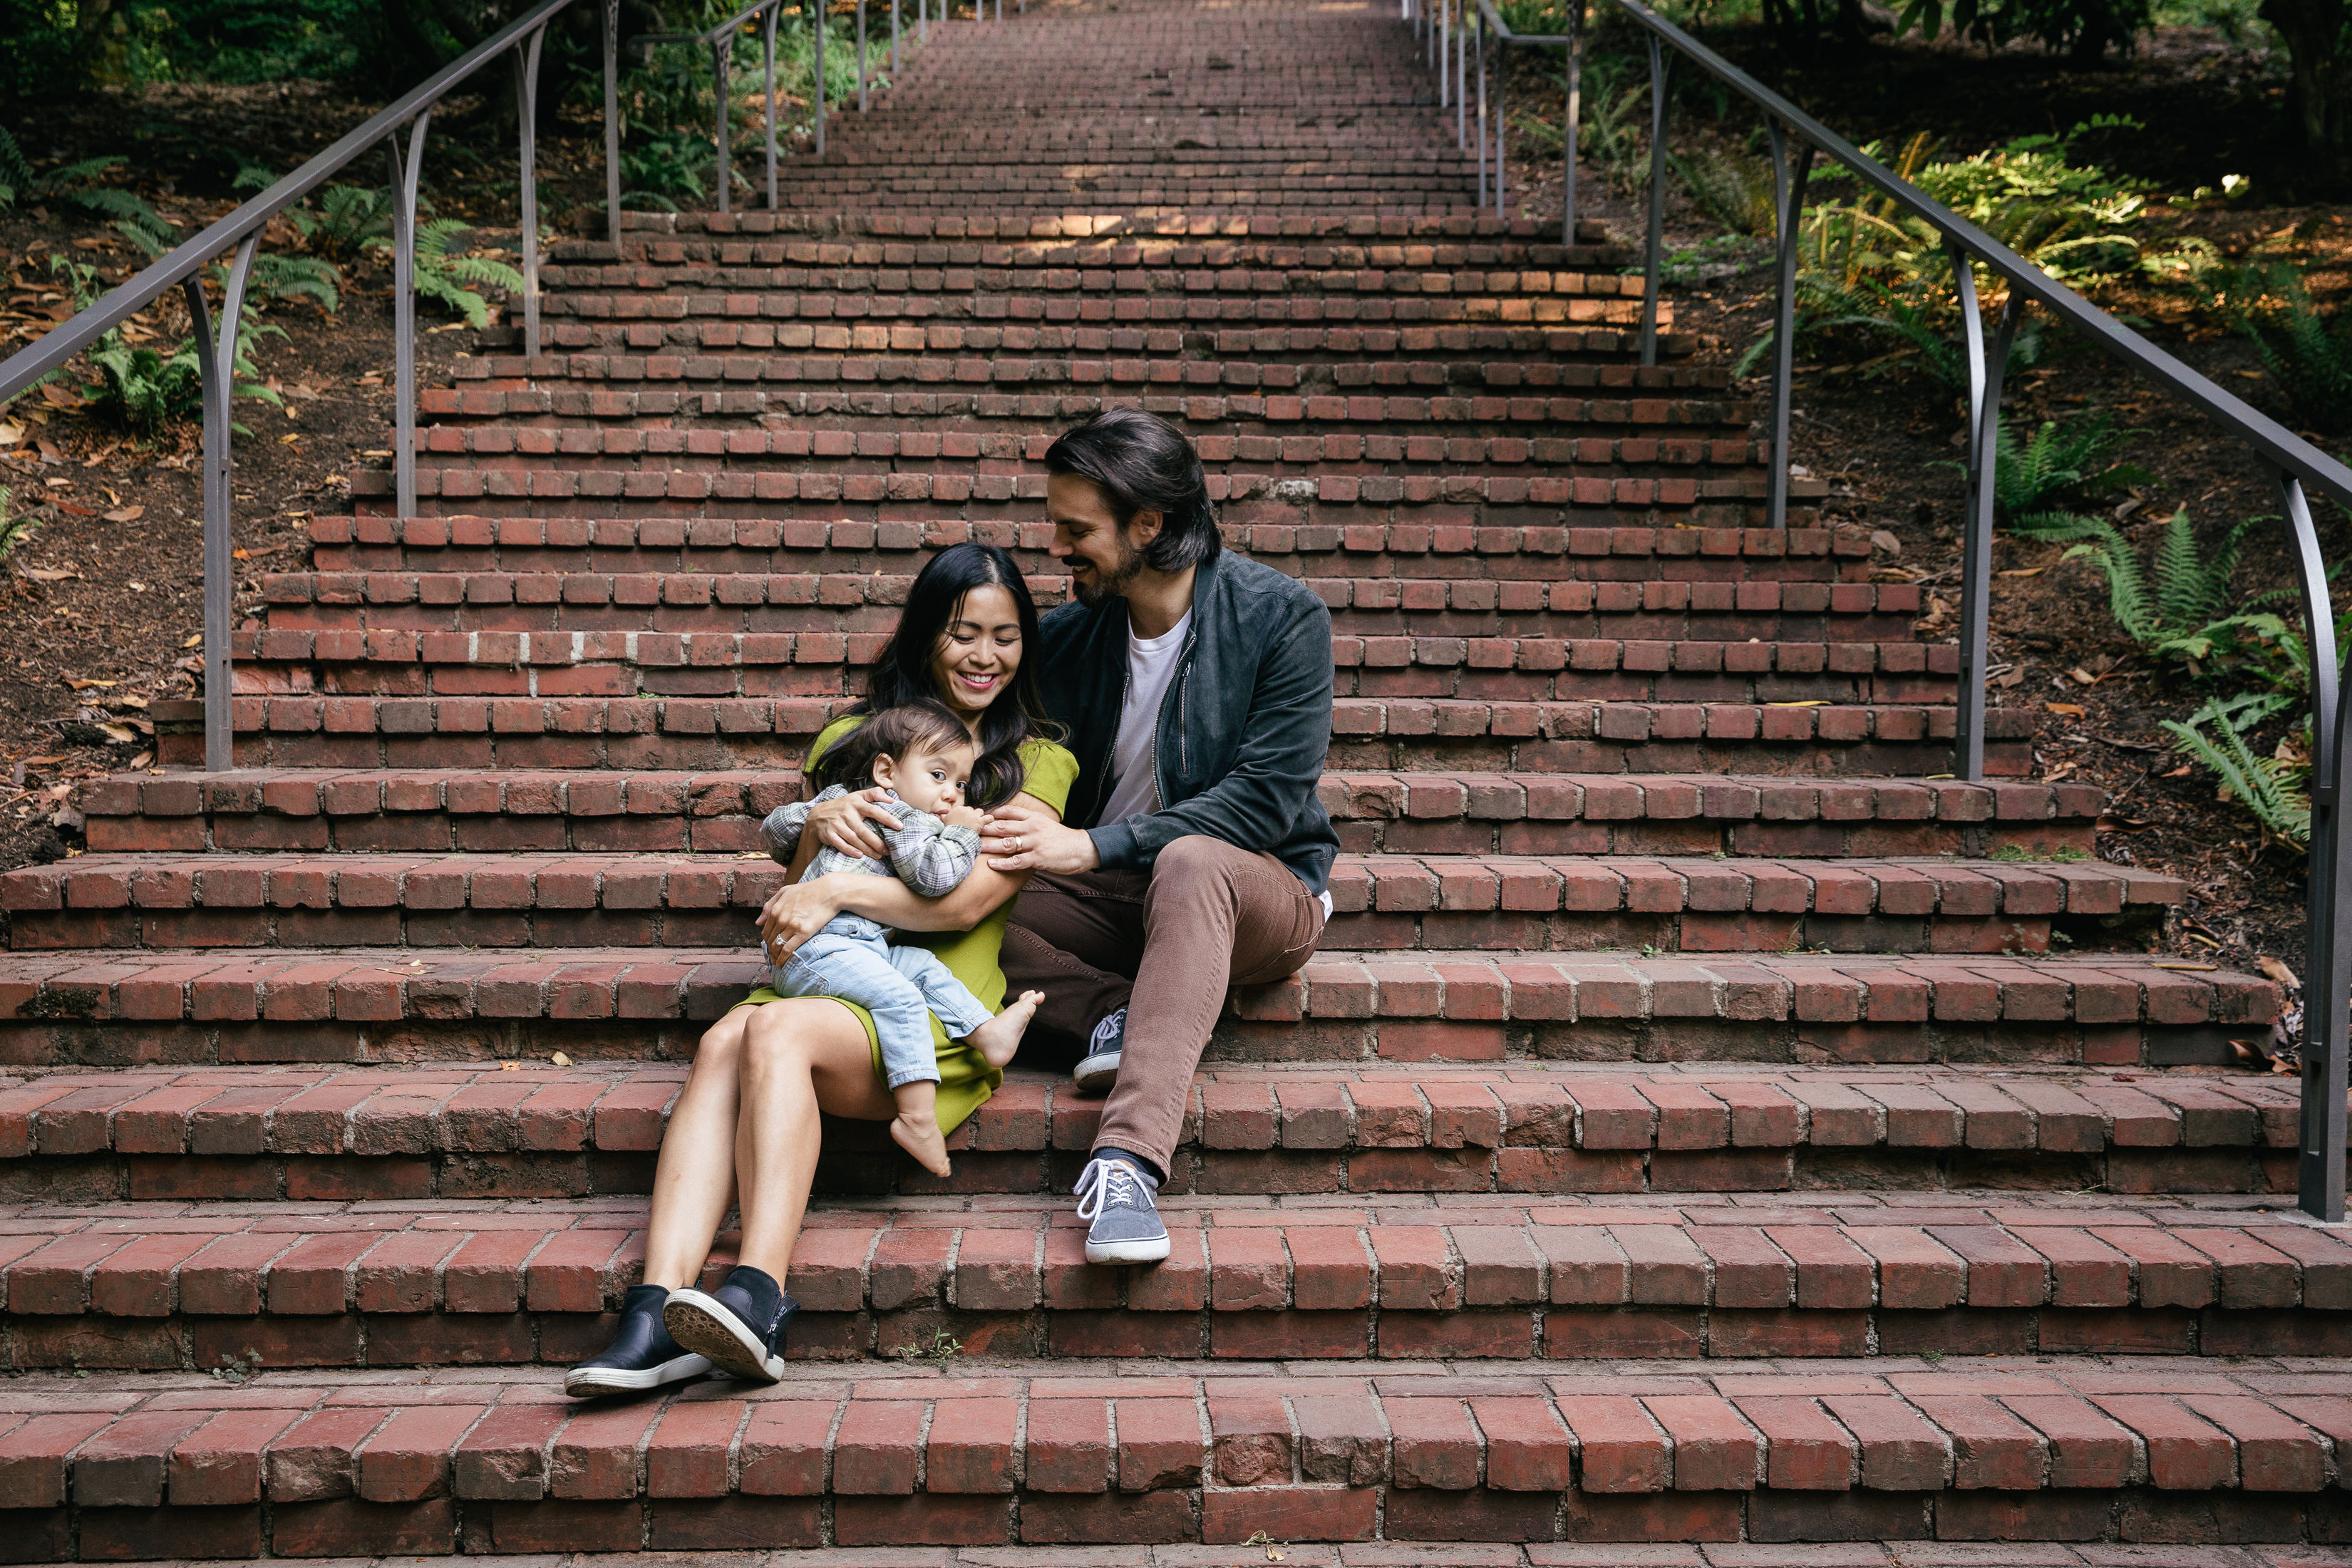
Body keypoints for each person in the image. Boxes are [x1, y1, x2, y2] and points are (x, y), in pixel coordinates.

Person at [564, 542, 1076, 1396]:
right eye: (962, 633)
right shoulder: (852, 739)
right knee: (726, 1035)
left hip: (930, 1011)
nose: (985, 656)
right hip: (826, 973)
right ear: (924, 637)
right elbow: (799, 880)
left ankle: (759, 1293)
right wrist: (824, 829)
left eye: (1006, 636)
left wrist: (836, 889)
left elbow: (959, 906)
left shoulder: (1040, 762)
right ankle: (654, 1311)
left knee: (769, 1026)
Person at [980, 408, 1338, 1267]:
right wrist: (846, 801)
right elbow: (939, 726)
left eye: (1077, 529)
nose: (1059, 547)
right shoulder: (1067, 638)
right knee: (946, 876)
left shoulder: (1281, 619)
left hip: (1257, 891)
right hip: (1114, 906)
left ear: (1149, 523)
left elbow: (1263, 804)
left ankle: (1127, 1162)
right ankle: (1112, 1011)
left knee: (1188, 858)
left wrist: (1090, 845)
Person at [754, 698, 1044, 1177]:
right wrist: (964, 835)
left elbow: (774, 829)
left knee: (923, 967)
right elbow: (933, 877)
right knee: (904, 998)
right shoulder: (905, 818)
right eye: (938, 775)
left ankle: (984, 1031)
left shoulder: (860, 803)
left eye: (961, 783)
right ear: (886, 771)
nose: (952, 794)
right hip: (819, 948)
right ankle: (916, 1118)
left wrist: (820, 812)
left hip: (854, 944)